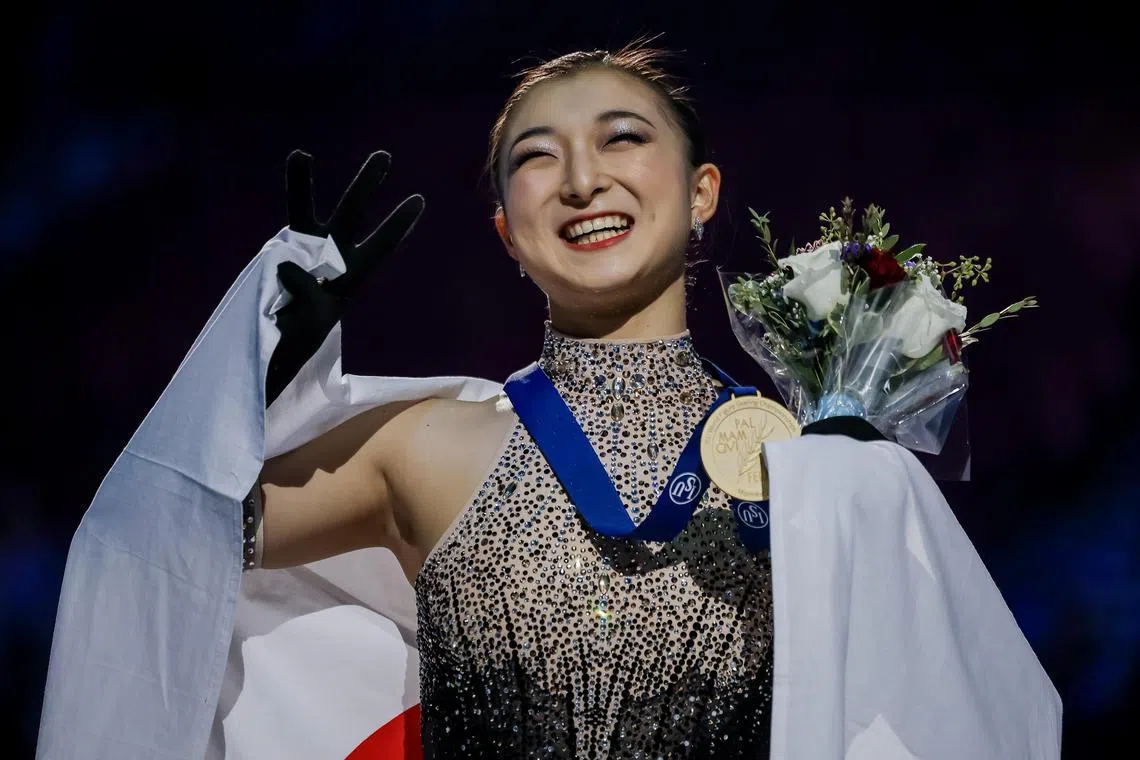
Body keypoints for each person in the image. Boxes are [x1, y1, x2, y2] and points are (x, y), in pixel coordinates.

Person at [36, 41, 1061, 760]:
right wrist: (256, 373)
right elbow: (166, 542)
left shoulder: (810, 465)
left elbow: (943, 718)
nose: (579, 178)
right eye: (536, 157)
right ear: (505, 232)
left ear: (702, 190)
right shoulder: (421, 446)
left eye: (622, 139)